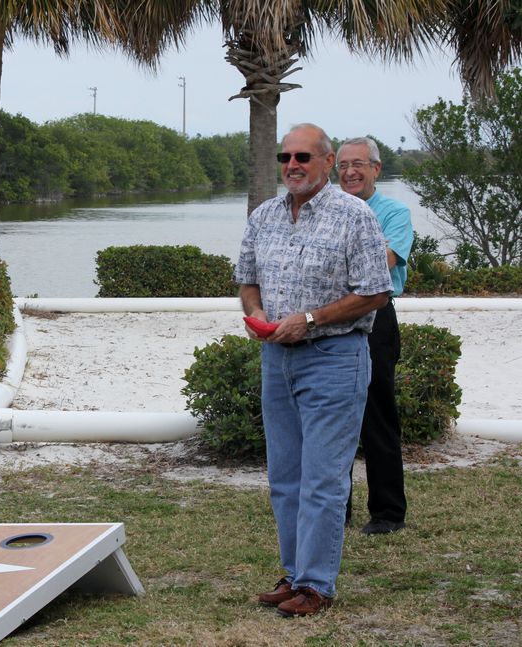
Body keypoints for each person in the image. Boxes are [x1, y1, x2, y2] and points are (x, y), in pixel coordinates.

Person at [235, 124, 392, 617]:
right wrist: (257, 314)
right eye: (285, 157)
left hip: (334, 357)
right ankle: (294, 575)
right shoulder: (264, 215)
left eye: (303, 156)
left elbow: (375, 291)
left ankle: (316, 584)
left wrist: (309, 319)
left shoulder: (355, 215)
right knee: (285, 476)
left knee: (323, 479)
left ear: (327, 162)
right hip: (276, 359)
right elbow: (247, 280)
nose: (292, 165)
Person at [338, 137, 414, 536]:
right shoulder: (328, 210)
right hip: (332, 318)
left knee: (377, 417)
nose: (350, 172)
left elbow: (383, 263)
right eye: (343, 165)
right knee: (332, 420)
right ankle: (336, 509)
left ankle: (388, 513)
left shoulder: (394, 213)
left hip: (376, 317)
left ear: (376, 169)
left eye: (359, 164)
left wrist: (335, 262)